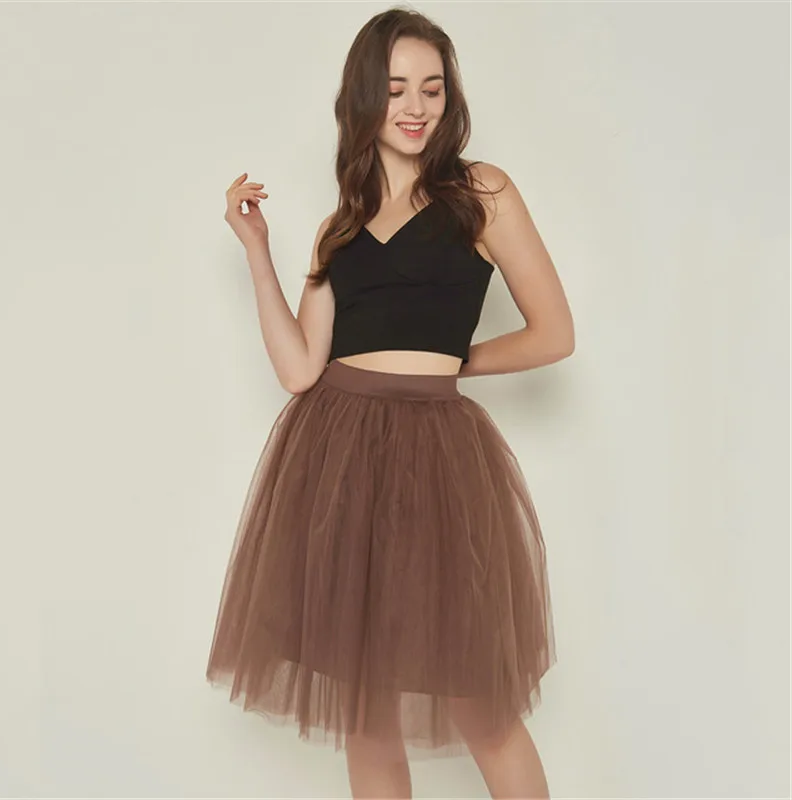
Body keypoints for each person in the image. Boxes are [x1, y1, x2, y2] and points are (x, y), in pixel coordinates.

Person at [206, 7, 574, 799]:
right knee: (366, 713)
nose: (415, 107)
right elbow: (299, 369)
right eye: (397, 88)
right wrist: (259, 253)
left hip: (438, 457)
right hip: (339, 457)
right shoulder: (337, 227)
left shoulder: (482, 193)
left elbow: (554, 333)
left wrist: (449, 366)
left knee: (481, 704)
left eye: (432, 90)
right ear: (364, 98)